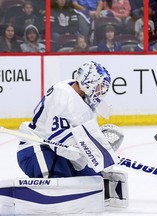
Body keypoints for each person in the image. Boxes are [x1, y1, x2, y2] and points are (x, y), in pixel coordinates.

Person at [16, 60, 128, 210]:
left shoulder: (80, 94)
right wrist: (87, 150)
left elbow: (80, 135)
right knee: (59, 186)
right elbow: (55, 139)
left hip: (62, 151)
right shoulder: (64, 95)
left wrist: (95, 151)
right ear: (88, 82)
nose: (101, 92)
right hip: (36, 148)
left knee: (95, 181)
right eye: (99, 86)